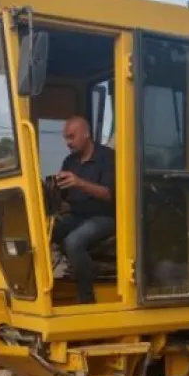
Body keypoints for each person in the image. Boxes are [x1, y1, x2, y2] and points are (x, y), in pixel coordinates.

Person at [51, 115, 116, 304]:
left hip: (104, 216)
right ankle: (50, 285)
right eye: (65, 138)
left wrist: (79, 183)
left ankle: (86, 297)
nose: (68, 143)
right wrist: (51, 189)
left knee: (73, 242)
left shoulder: (107, 157)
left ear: (86, 134)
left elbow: (108, 194)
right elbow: (62, 197)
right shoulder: (69, 162)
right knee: (43, 231)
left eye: (71, 137)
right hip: (76, 215)